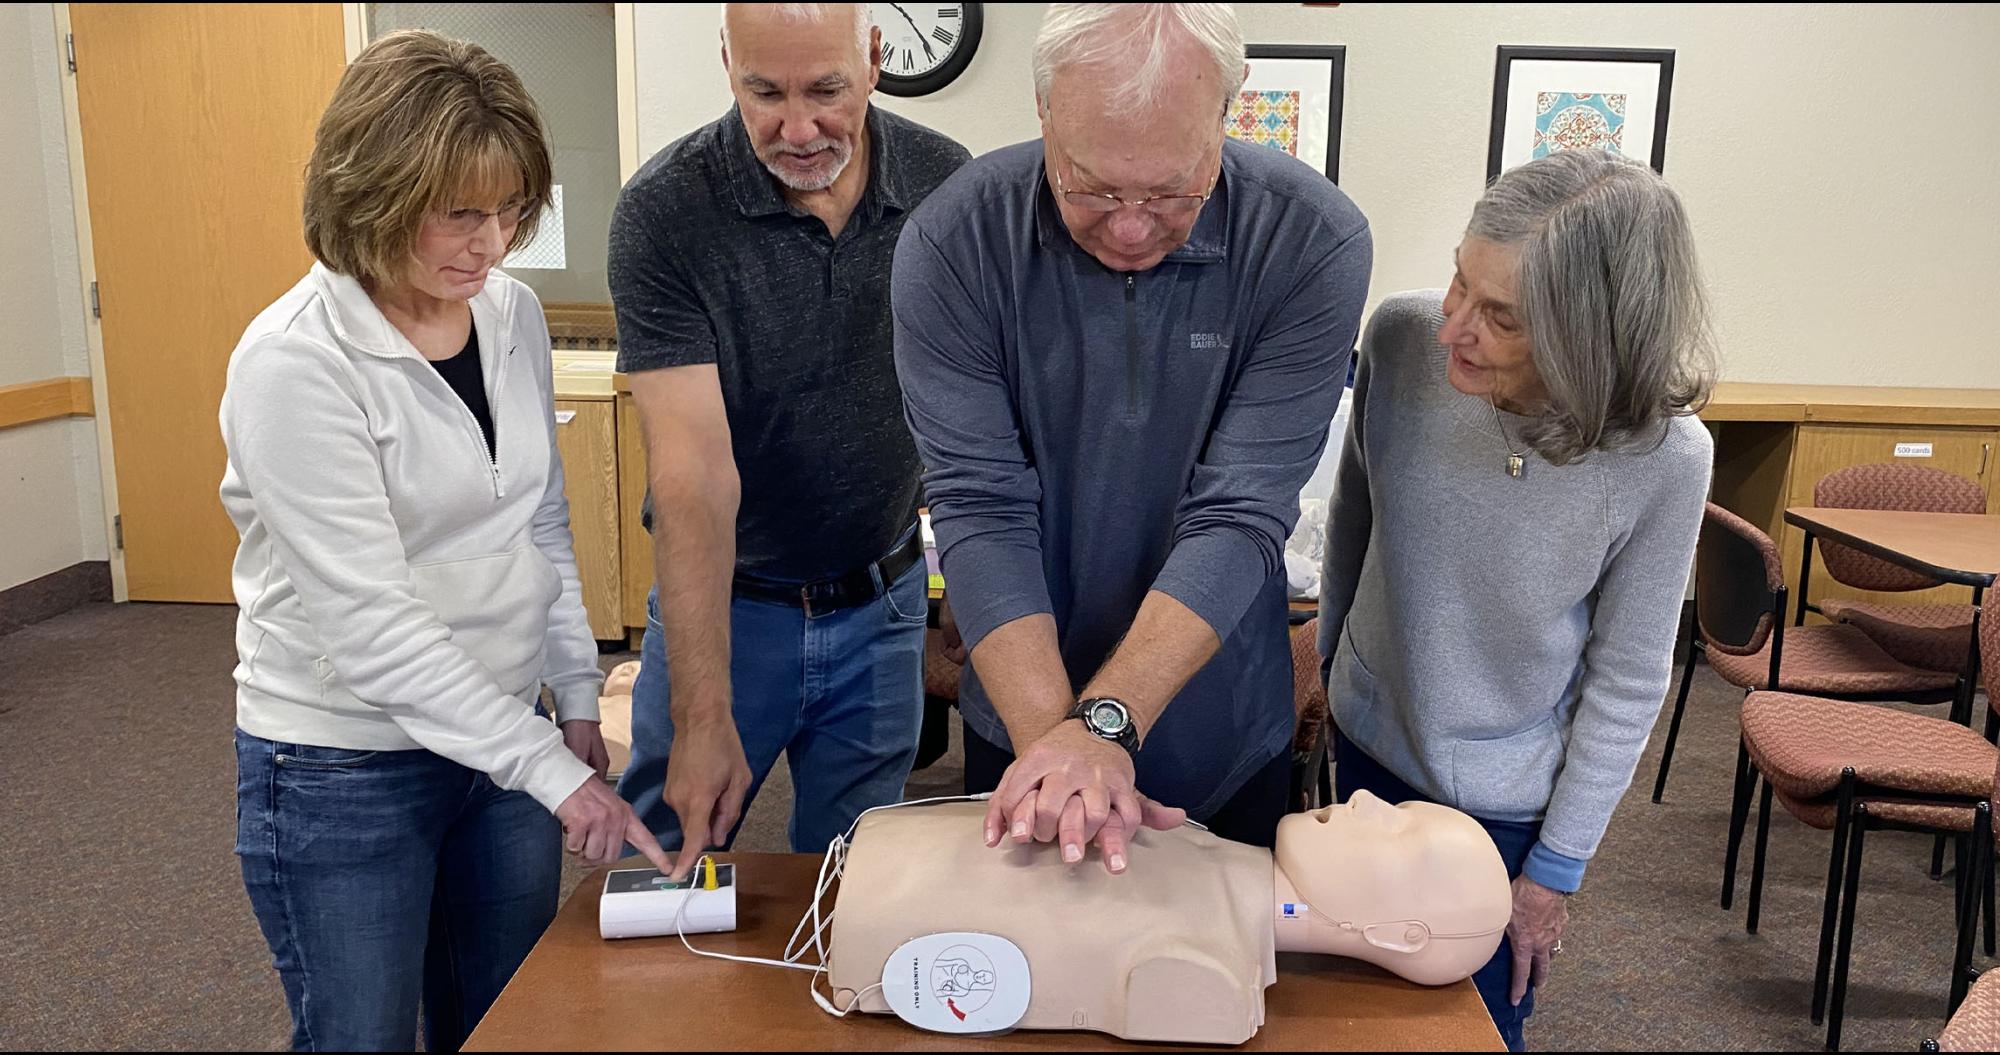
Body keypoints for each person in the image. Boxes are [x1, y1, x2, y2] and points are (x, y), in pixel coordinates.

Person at [219, 30, 671, 1051]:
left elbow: (537, 519)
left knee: (503, 1019)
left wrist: (569, 694)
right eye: (461, 214)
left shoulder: (505, 313)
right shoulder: (295, 362)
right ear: (371, 192)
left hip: (502, 741)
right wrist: (557, 777)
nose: (493, 243)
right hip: (344, 763)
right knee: (361, 1033)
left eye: (511, 211)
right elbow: (374, 629)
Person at [893, 2, 1372, 866]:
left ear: (1227, 115)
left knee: (1218, 983)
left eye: (1169, 191)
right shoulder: (955, 239)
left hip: (1221, 719)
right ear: (1043, 113)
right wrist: (1064, 755)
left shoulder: (1311, 241)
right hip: (1026, 697)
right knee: (1036, 977)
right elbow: (981, 507)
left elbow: (1239, 512)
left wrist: (1104, 727)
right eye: (1091, 185)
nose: (1128, 226)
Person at [1317, 148, 1718, 1050]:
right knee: (1344, 1008)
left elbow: (1627, 678)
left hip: (1501, 803)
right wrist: (1326, 667)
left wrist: (1555, 873)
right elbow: (1355, 522)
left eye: (1499, 316)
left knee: (1468, 1027)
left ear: (1591, 334)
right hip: (1368, 737)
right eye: (1459, 279)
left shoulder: (1664, 456)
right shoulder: (1400, 343)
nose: (1453, 324)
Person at [609, 2, 970, 877]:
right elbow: (692, 474)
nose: (798, 127)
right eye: (763, 91)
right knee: (668, 859)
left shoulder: (944, 186)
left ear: (874, 59)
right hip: (726, 602)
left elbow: (971, 413)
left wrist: (968, 598)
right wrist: (701, 713)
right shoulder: (666, 211)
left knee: (857, 884)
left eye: (826, 90)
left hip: (879, 600)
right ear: (726, 61)